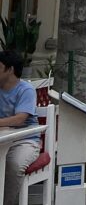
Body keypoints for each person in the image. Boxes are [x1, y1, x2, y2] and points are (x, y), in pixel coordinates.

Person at [0, 51, 41, 205]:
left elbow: (20, 119)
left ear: (10, 70)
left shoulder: (26, 89)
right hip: (2, 138)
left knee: (14, 165)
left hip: (25, 140)